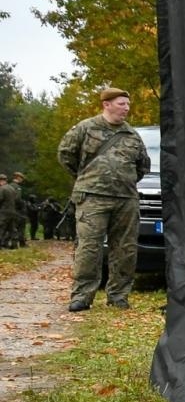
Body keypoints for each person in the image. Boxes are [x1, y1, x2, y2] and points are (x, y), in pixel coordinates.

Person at [57, 87, 149, 311]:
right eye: (121, 104)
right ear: (106, 104)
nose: (126, 109)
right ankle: (82, 296)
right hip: (92, 197)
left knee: (125, 249)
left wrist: (123, 181)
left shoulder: (132, 135)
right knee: (89, 247)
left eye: (128, 105)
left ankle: (118, 295)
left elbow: (142, 165)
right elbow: (65, 154)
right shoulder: (86, 128)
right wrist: (87, 179)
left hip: (125, 198)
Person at [0, 172, 22, 248]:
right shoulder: (12, 188)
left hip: (4, 211)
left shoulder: (2, 189)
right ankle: (14, 245)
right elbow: (17, 199)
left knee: (1, 228)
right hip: (13, 211)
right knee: (12, 229)